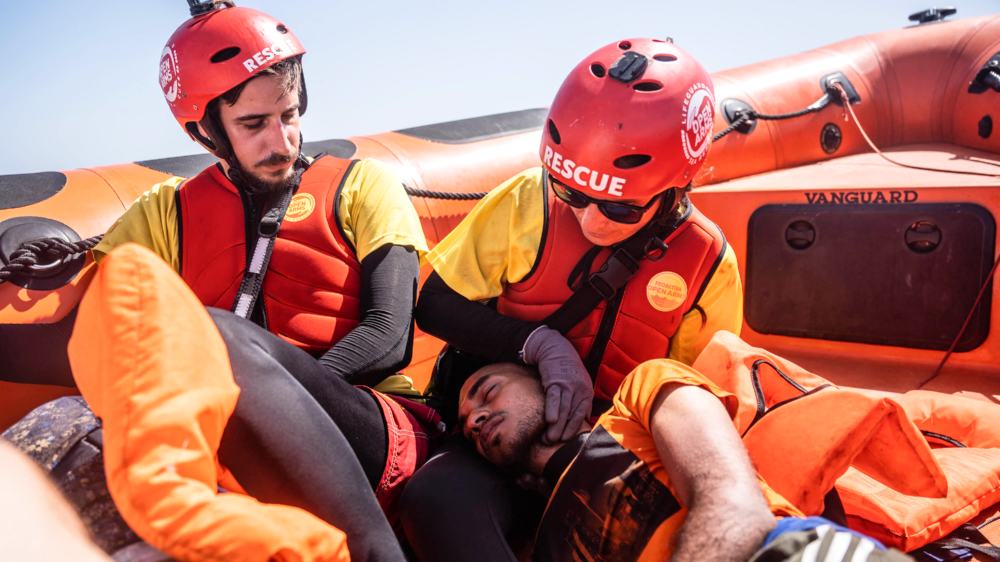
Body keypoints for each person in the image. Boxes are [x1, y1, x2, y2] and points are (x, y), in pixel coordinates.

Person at [4, 2, 432, 560]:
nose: (280, 141)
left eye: (290, 114)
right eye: (253, 124)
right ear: (207, 131)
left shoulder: (363, 184)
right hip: (228, 438)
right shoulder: (167, 212)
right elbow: (93, 313)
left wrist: (264, 401)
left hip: (374, 427)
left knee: (213, 339)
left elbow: (389, 335)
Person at [402, 37, 741, 558]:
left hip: (605, 447)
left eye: (622, 209)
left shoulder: (708, 265)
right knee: (436, 498)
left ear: (676, 184)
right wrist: (538, 344)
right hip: (499, 441)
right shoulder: (527, 201)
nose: (591, 221)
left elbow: (696, 397)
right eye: (574, 194)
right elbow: (435, 303)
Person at [454, 361, 914, 562]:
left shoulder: (640, 393)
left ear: (548, 382)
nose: (474, 418)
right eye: (466, 425)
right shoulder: (535, 547)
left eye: (488, 390)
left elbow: (730, 503)